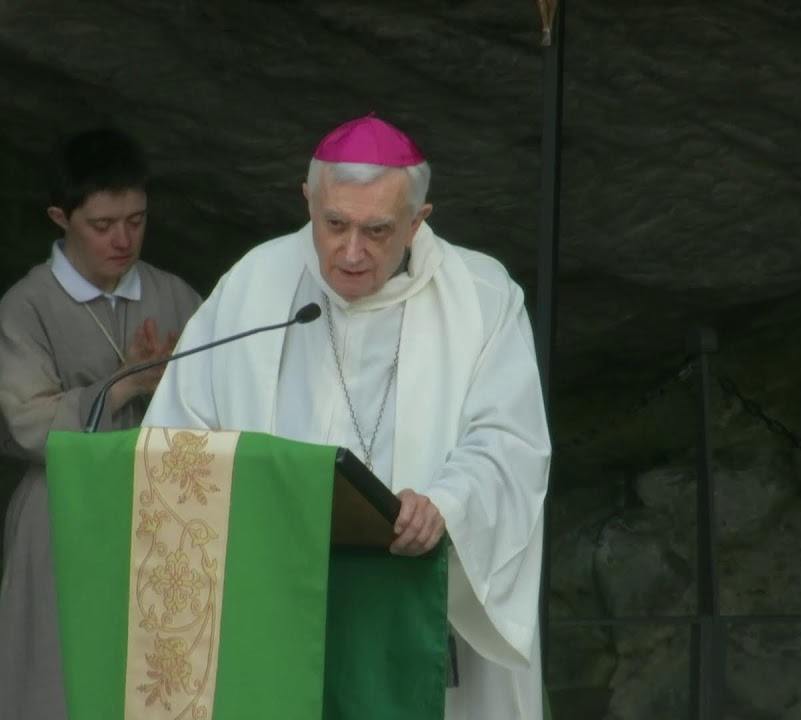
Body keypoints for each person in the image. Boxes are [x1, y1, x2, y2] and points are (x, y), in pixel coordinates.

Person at [142, 114, 550, 719]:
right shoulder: (254, 285)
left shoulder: (482, 297)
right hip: (283, 593)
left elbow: (508, 442)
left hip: (418, 600)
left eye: (378, 230)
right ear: (307, 201)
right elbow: (180, 435)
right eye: (333, 224)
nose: (350, 252)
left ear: (418, 221)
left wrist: (447, 505)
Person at [0, 127, 202, 720]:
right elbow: (26, 424)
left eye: (136, 220)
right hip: (64, 510)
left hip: (163, 511)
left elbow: (223, 403)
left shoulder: (175, 296)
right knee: (56, 680)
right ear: (61, 216)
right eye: (102, 225)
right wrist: (126, 382)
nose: (123, 239)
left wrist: (183, 383)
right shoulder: (25, 307)